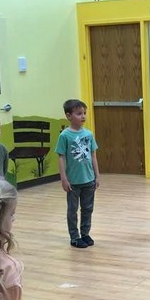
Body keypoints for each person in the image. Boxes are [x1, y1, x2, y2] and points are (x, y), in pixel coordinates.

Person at [56, 99, 100, 249]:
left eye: (84, 113)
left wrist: (97, 175)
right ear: (69, 116)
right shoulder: (64, 136)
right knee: (72, 210)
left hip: (89, 180)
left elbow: (93, 155)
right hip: (73, 182)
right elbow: (61, 157)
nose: (83, 116)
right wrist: (64, 178)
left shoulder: (89, 134)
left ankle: (85, 233)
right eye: (79, 113)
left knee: (88, 208)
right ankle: (75, 237)